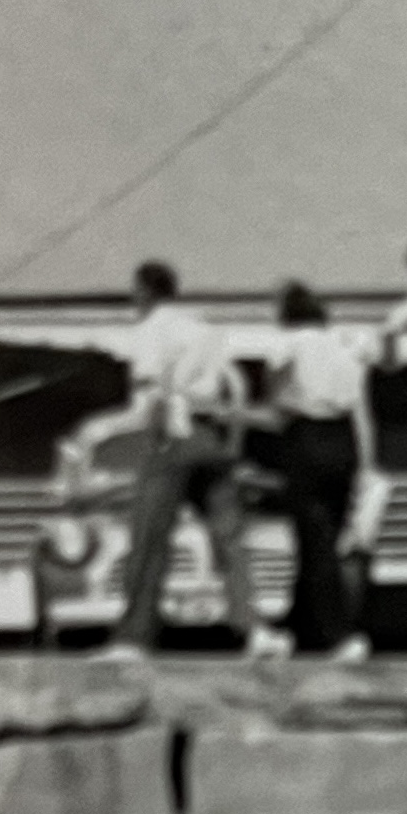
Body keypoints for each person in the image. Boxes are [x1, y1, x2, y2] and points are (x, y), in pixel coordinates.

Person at [107, 260, 285, 658]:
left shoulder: (151, 329)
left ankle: (134, 636)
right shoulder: (204, 330)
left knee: (149, 535)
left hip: (174, 430)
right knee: (228, 537)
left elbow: (149, 391)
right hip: (211, 435)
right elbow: (232, 386)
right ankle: (254, 627)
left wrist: (152, 438)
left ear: (145, 292)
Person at [261, 279, 373, 658]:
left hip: (307, 439)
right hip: (343, 442)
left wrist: (239, 415)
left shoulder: (288, 344)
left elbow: (279, 402)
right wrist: (366, 462)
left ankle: (340, 635)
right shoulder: (344, 347)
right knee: (320, 542)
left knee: (316, 541)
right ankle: (294, 625)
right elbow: (360, 410)